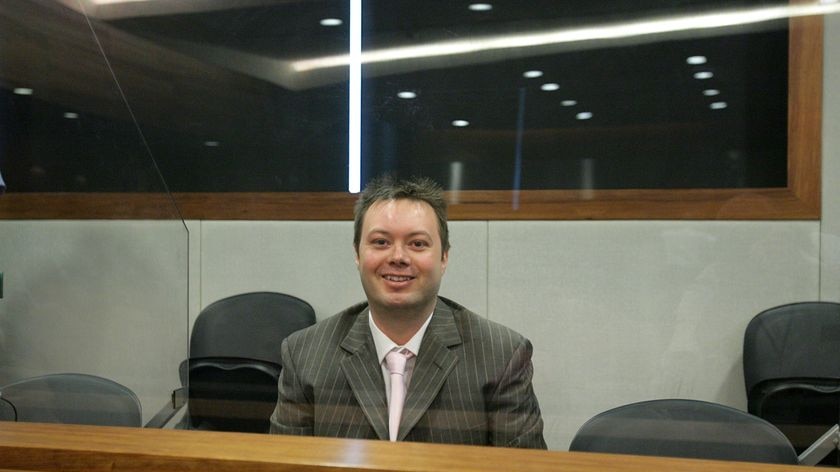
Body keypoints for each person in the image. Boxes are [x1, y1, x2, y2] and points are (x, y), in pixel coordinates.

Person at [269, 176, 546, 448]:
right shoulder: (304, 355)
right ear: (357, 254)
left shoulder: (500, 355)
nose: (398, 257)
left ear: (444, 257)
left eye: (417, 244)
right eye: (380, 242)